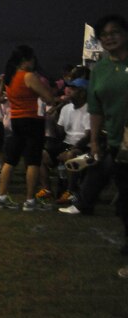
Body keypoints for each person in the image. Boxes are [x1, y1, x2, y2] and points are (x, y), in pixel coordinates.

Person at [61, 16, 128, 254]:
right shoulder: (100, 69)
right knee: (124, 201)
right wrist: (93, 142)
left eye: (115, 32)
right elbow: (96, 108)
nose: (109, 37)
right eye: (104, 35)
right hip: (117, 144)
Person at [0, 45, 57, 211]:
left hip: (16, 119)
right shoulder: (28, 76)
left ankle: (1, 197)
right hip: (32, 120)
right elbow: (49, 98)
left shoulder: (9, 77)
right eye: (32, 59)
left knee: (10, 160)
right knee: (33, 161)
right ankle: (30, 200)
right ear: (25, 60)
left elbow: (2, 95)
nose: (34, 62)